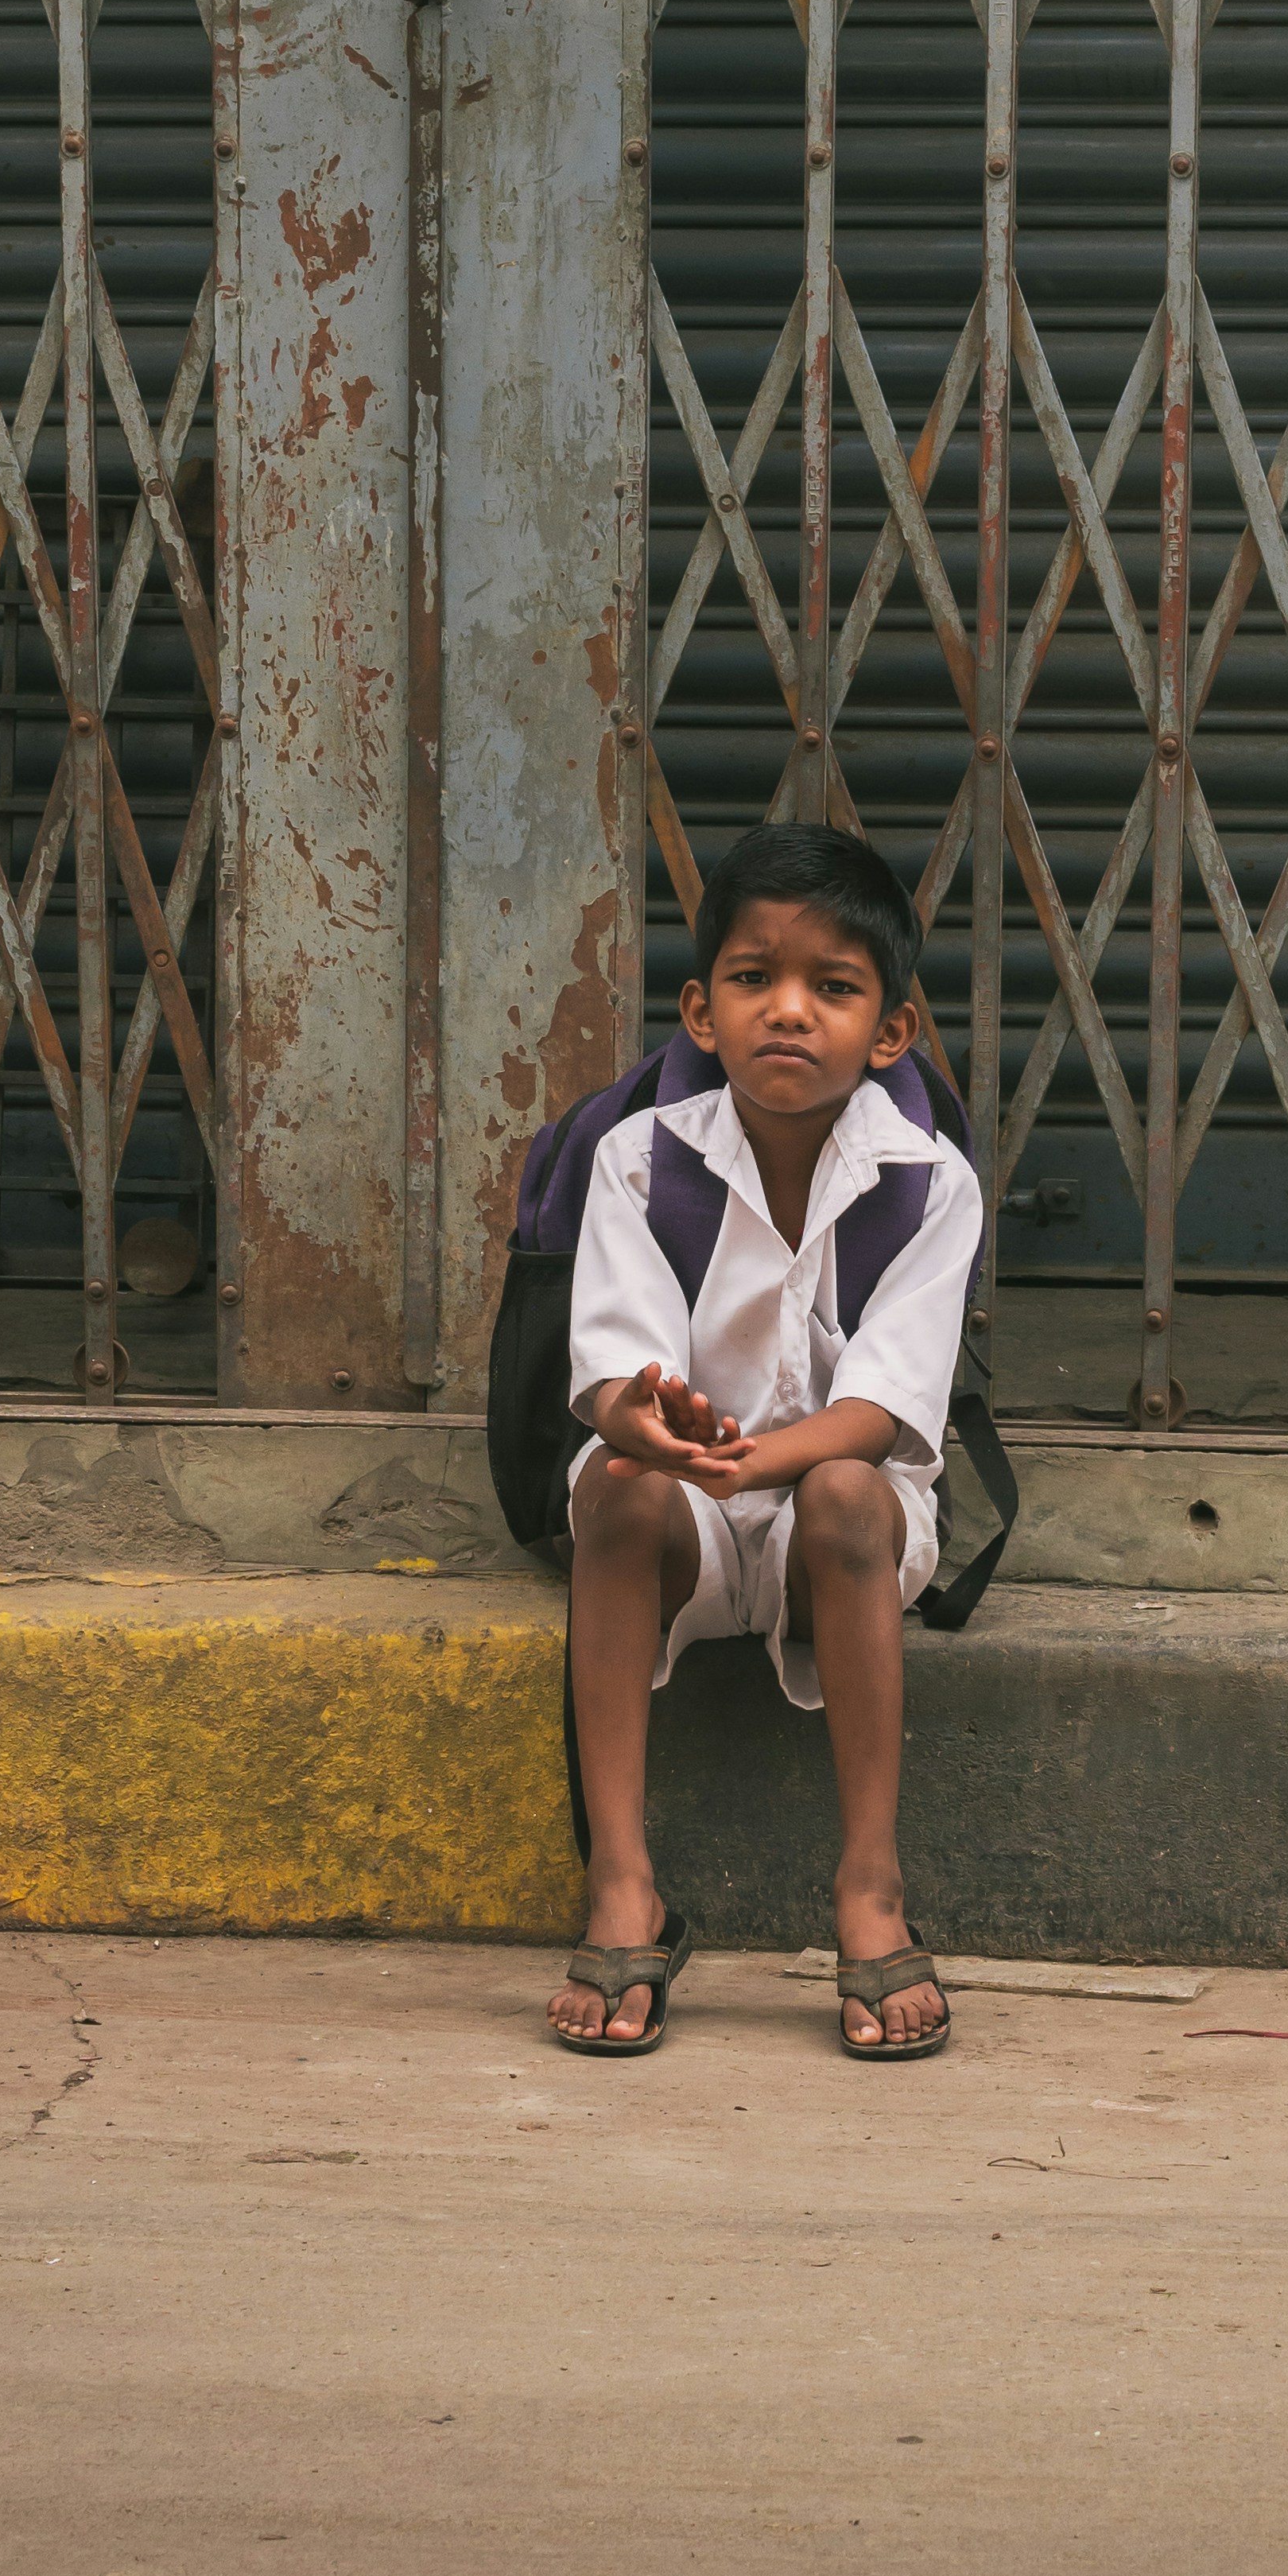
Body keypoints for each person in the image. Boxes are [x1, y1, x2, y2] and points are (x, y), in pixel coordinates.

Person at [547, 822, 978, 2061]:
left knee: (848, 1489)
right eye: (753, 979)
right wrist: (644, 1423)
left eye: (832, 988)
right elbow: (611, 1377)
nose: (788, 1013)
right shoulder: (634, 1162)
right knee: (617, 1492)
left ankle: (871, 1887)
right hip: (682, 1511)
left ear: (890, 1033)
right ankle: (624, 1887)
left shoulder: (930, 1182)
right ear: (700, 1009)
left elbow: (886, 1413)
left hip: (829, 1529)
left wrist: (754, 1458)